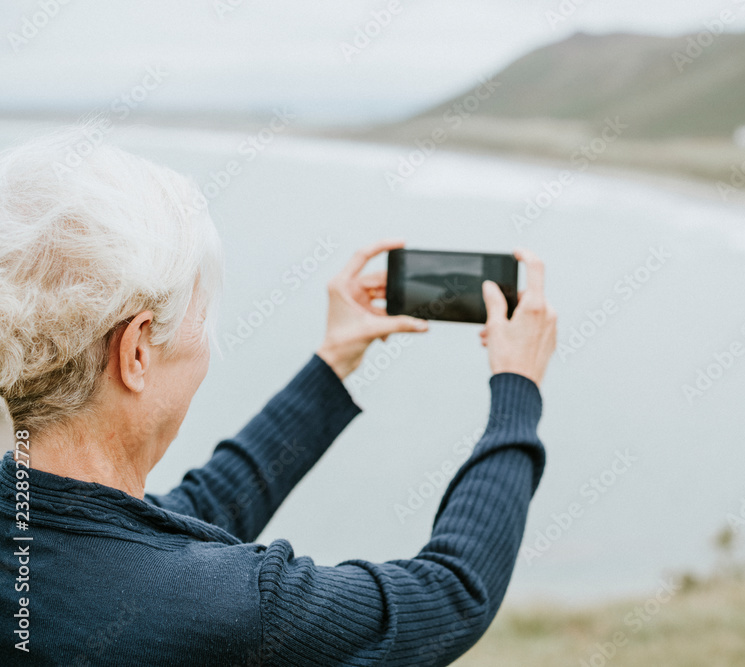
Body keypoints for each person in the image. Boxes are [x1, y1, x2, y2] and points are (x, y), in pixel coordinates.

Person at [0, 126, 558, 666]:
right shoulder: (234, 607)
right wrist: (518, 388)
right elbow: (449, 596)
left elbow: (173, 522)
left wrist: (331, 364)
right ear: (137, 351)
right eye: (199, 318)